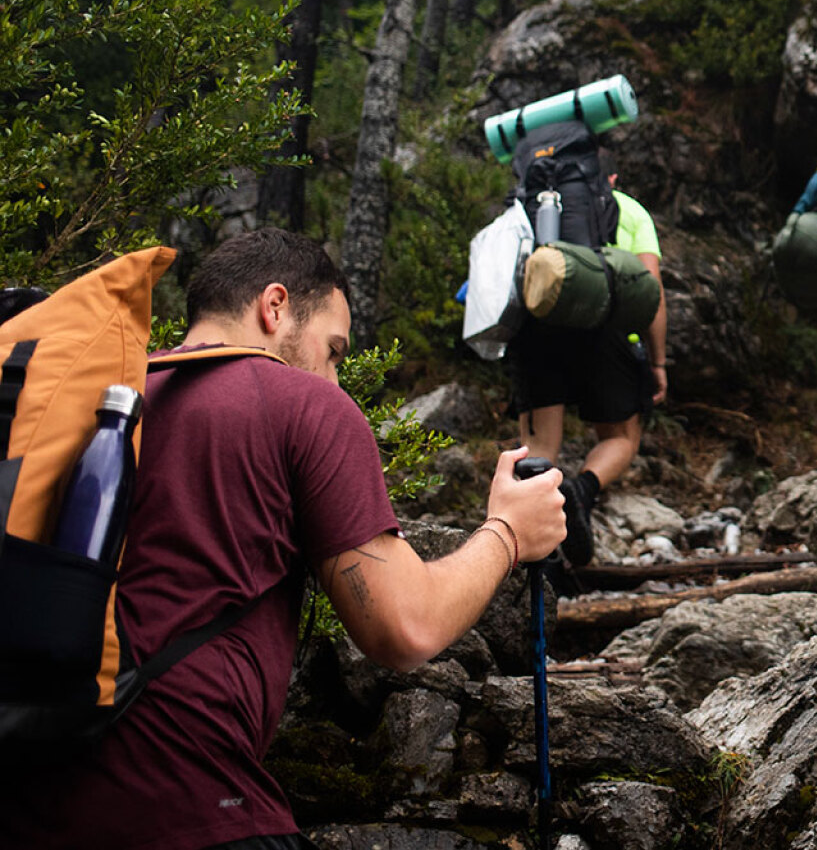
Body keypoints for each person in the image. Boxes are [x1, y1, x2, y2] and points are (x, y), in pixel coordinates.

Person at [2, 228, 567, 850]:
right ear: (274, 307)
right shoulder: (302, 404)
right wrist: (510, 532)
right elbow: (405, 628)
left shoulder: (104, 401)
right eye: (333, 349)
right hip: (190, 803)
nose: (332, 376)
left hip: (33, 800)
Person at [507, 169, 667, 566]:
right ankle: (581, 489)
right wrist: (659, 361)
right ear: (605, 175)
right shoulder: (628, 210)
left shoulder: (525, 207)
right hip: (604, 329)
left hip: (538, 327)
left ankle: (535, 563)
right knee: (622, 438)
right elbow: (651, 293)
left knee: (540, 449)